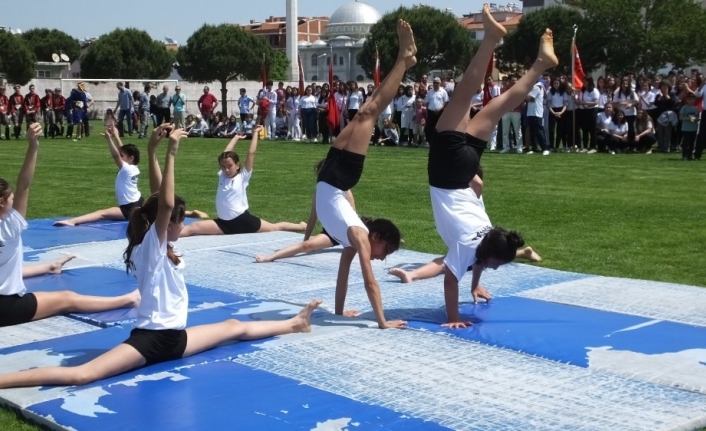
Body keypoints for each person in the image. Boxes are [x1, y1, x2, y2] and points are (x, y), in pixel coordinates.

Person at [0, 125, 321, 389]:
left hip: (176, 338)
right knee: (82, 375)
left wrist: (153, 152)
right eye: (180, 222)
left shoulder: (165, 248)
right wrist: (168, 154)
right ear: (167, 225)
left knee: (235, 326)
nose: (183, 225)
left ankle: (295, 323)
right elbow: (164, 204)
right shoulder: (149, 249)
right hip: (151, 341)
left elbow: (157, 202)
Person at [424, 4, 558, 328]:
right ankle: (490, 40)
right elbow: (450, 277)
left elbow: (474, 262)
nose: (495, 267)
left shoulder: (488, 233)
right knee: (466, 93)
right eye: (498, 263)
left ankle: (541, 64)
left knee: (499, 105)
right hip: (448, 171)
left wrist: (475, 283)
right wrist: (453, 318)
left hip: (466, 169)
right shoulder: (471, 243)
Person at [315, 20, 417, 330]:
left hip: (330, 174)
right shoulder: (359, 236)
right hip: (340, 176)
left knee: (365, 110)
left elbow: (344, 276)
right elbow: (370, 282)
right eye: (385, 252)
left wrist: (338, 312)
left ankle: (405, 59)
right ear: (378, 238)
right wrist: (383, 322)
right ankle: (405, 57)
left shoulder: (353, 239)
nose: (381, 259)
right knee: (369, 111)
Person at [0, 123, 140, 328]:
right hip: (7, 307)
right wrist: (32, 146)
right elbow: (24, 184)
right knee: (67, 298)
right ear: (2, 203)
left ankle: (50, 266)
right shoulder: (9, 226)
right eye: (11, 198)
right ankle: (128, 299)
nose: (14, 200)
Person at [179, 130, 306, 237]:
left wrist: (255, 133)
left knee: (274, 228)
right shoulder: (222, 176)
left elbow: (251, 154)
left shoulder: (242, 177)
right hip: (223, 224)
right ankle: (166, 236)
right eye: (223, 167)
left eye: (230, 166)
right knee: (193, 227)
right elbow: (225, 153)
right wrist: (235, 138)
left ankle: (301, 226)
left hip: (243, 221)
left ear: (237, 165)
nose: (227, 169)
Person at [255, 159, 356, 263]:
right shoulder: (319, 191)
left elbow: (352, 215)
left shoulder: (344, 190)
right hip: (331, 233)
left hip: (349, 231)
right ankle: (270, 257)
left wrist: (353, 238)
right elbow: (313, 217)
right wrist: (306, 240)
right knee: (307, 246)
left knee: (365, 247)